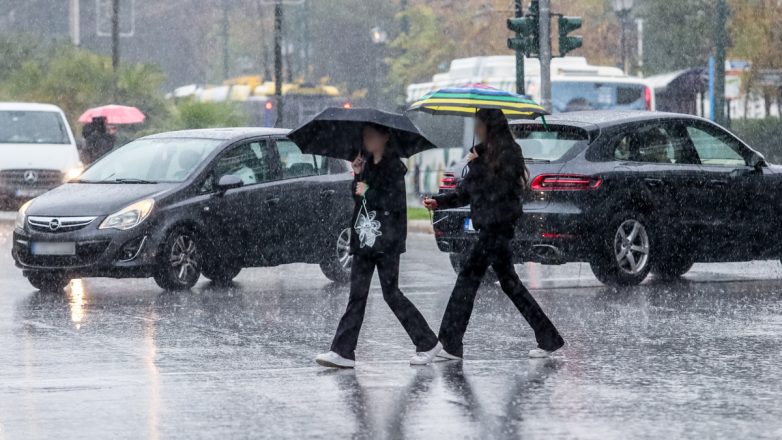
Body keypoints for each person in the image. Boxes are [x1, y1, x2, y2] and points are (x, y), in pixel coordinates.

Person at [423, 108, 564, 359]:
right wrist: (439, 201)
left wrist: (476, 164)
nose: (476, 129)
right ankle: (548, 337)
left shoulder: (510, 153)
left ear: (490, 126)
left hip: (497, 228)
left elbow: (498, 190)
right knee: (509, 283)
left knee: (467, 278)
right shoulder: (484, 153)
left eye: (479, 124)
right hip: (489, 227)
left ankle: (451, 343)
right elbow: (467, 192)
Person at [316, 123, 442, 368]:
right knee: (357, 296)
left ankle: (427, 342)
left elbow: (392, 204)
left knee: (391, 294)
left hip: (387, 241)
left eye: (372, 136)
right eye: (365, 136)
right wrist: (357, 174)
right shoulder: (367, 165)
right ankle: (343, 351)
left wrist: (368, 191)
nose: (367, 140)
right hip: (365, 239)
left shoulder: (394, 168)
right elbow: (359, 199)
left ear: (385, 137)